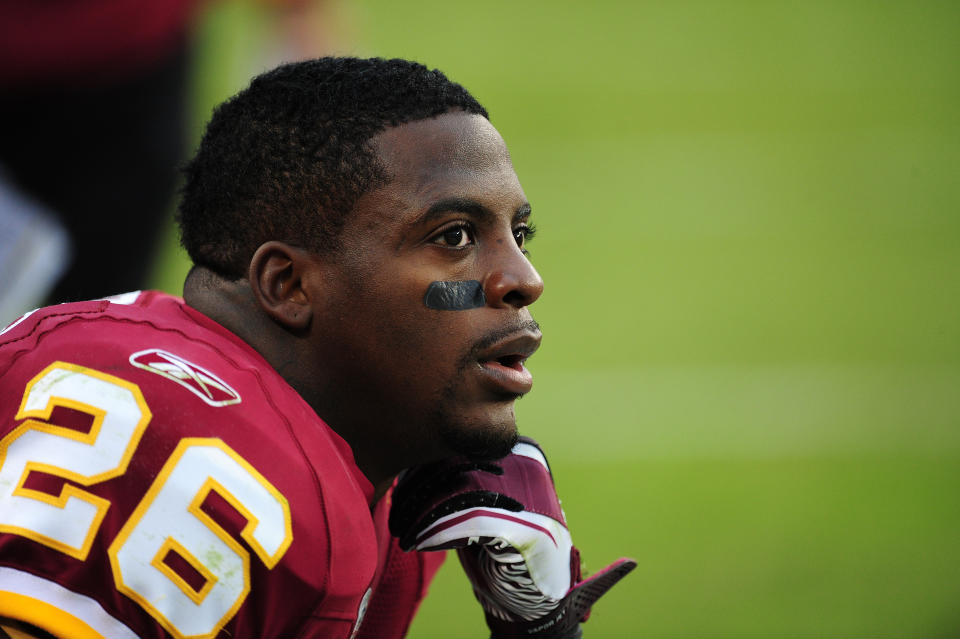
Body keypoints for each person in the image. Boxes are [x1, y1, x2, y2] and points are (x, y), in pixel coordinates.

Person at [0, 57, 633, 638]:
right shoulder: (227, 481)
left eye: (519, 233)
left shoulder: (73, 333)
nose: (523, 279)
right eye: (456, 236)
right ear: (289, 285)